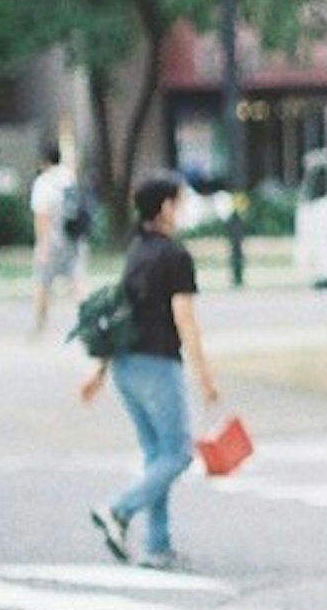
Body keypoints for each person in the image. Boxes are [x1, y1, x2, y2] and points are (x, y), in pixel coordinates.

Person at [80, 171, 224, 570]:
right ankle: (119, 511)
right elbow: (185, 321)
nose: (183, 209)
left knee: (156, 456)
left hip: (126, 367)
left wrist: (100, 372)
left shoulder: (136, 251)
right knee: (178, 455)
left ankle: (158, 547)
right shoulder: (175, 256)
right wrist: (206, 377)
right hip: (158, 365)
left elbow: (122, 316)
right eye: (180, 202)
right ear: (164, 208)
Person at [27, 138, 91, 338]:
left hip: (52, 241)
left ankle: (39, 324)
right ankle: (88, 320)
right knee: (77, 282)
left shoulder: (43, 182)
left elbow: (42, 216)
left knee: (42, 283)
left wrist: (42, 245)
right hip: (74, 239)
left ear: (43, 160)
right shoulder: (68, 176)